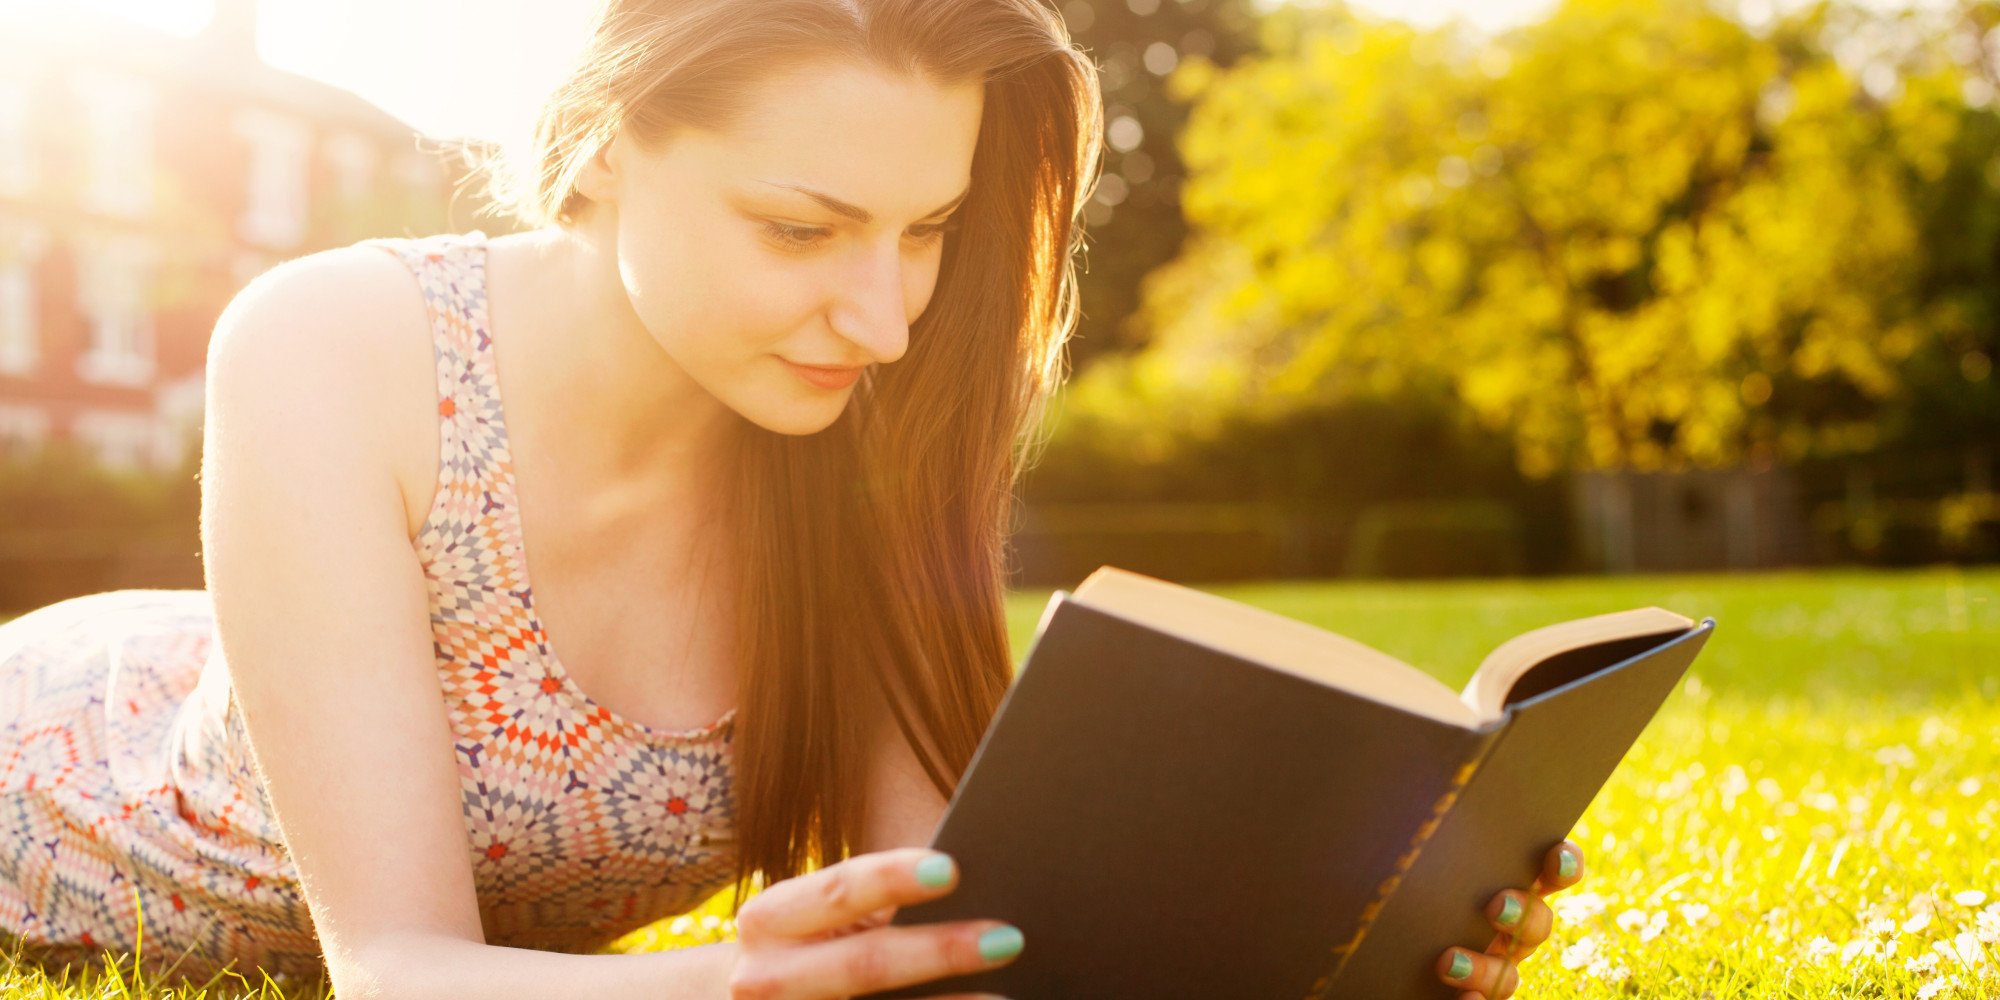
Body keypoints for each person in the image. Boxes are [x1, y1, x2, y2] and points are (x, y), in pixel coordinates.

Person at [0, 0, 1586, 996]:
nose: (886, 319)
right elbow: (403, 974)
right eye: (802, 228)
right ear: (610, 143)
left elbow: (948, 951)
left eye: (928, 231)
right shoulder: (335, 345)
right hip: (57, 776)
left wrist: (1351, 938)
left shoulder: (866, 440)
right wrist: (733, 987)